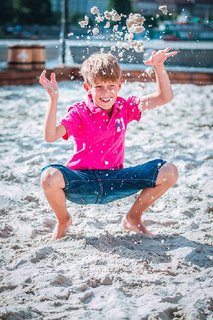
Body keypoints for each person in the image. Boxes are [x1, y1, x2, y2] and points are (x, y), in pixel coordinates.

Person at [39, 48, 179, 240]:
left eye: (111, 86)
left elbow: (164, 97)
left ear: (119, 86)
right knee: (49, 176)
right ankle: (63, 221)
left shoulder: (125, 107)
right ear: (88, 88)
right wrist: (53, 99)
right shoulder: (79, 112)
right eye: (99, 87)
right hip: (82, 182)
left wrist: (158, 66)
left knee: (169, 171)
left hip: (115, 179)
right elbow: (50, 136)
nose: (106, 92)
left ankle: (133, 217)